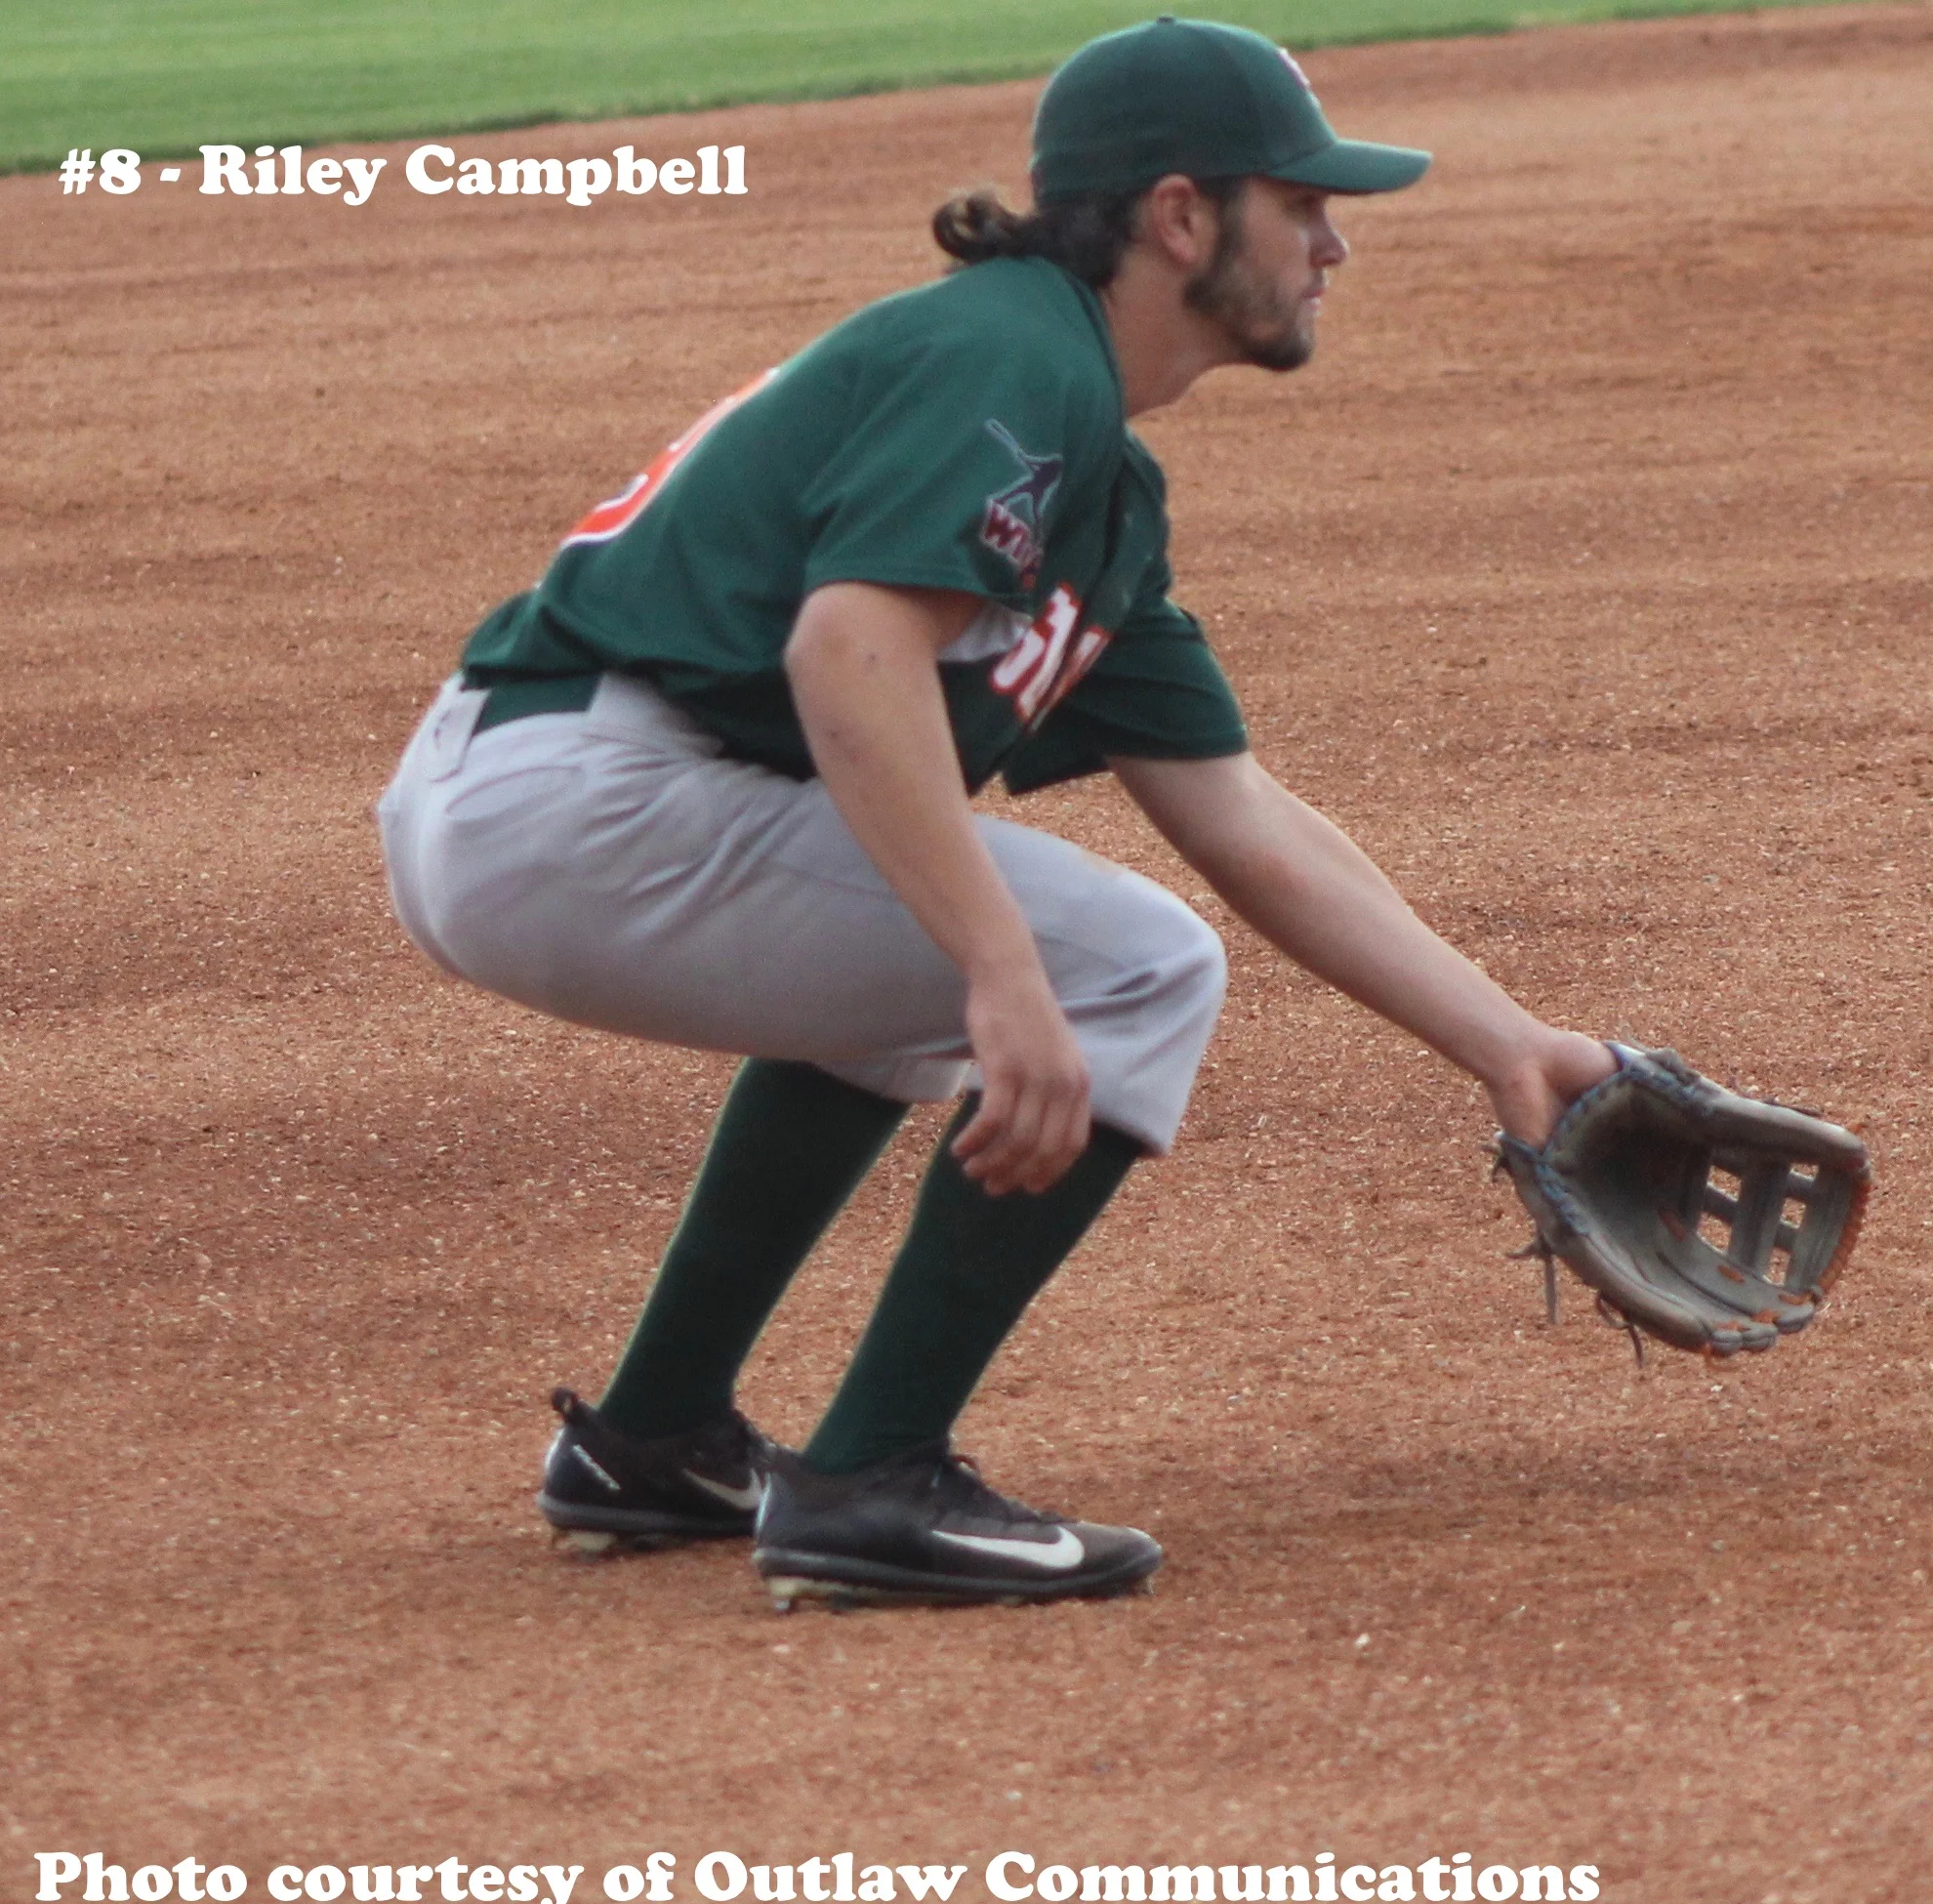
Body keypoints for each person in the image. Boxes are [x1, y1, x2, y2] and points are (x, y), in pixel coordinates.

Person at [376, 16, 1616, 1609]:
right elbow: (849, 653)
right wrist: (1001, 974)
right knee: (1125, 965)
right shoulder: (1013, 357)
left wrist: (1511, 1047)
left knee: (928, 956)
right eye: (1298, 203)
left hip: (534, 795)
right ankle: (873, 1479)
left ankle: (655, 1437)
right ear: (1180, 218)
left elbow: (1237, 810)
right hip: (584, 795)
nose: (1333, 243)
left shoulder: (1090, 473)